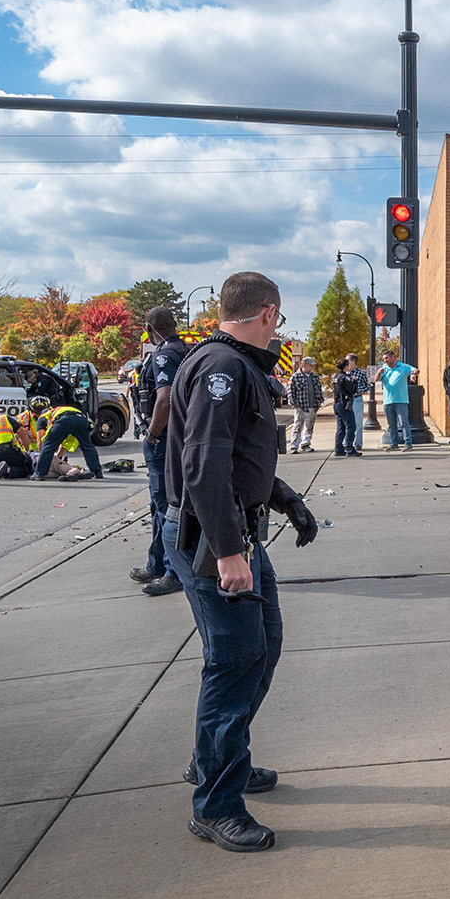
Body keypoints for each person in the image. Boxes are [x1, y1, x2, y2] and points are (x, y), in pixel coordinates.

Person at [164, 271, 320, 854]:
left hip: (235, 533)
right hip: (215, 541)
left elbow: (239, 459)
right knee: (234, 664)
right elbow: (204, 466)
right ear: (269, 313)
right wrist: (230, 553)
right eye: (278, 319)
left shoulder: (228, 365)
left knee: (263, 646)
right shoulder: (223, 370)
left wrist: (288, 500)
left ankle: (219, 758)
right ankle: (216, 803)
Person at [133, 308, 188, 595]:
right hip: (175, 436)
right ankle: (156, 563)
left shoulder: (165, 354)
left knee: (167, 505)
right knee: (158, 505)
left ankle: (173, 571)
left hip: (164, 438)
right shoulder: (184, 349)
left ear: (149, 328)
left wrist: (152, 434)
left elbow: (164, 399)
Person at [34, 397, 103, 480]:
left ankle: (39, 474)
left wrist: (41, 454)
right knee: (87, 446)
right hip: (82, 419)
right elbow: (65, 443)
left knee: (48, 445)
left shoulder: (43, 417)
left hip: (64, 420)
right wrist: (58, 455)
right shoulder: (61, 409)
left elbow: (41, 440)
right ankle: (97, 472)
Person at [376, 349, 418, 450]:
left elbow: (416, 370)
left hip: (401, 400)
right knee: (392, 424)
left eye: (386, 358)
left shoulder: (403, 367)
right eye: (383, 359)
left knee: (404, 423)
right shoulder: (384, 369)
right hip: (388, 401)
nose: (385, 361)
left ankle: (408, 443)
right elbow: (375, 379)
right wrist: (378, 372)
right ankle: (394, 444)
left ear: (393, 357)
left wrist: (413, 374)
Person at [0, 409, 34, 479]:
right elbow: (22, 433)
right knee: (26, 468)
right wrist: (27, 451)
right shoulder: (4, 418)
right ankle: (7, 470)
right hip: (7, 449)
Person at [333, 354, 368, 456]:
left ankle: (339, 449)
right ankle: (349, 449)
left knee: (341, 427)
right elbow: (352, 389)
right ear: (346, 366)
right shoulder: (345, 378)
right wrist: (355, 381)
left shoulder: (337, 376)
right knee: (351, 426)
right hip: (345, 404)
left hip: (338, 403)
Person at [288, 356, 324, 452]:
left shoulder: (315, 377)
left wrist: (320, 401)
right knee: (298, 426)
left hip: (313, 406)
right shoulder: (295, 377)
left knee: (309, 426)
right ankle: (294, 445)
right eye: (310, 365)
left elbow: (319, 390)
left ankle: (306, 444)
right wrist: (294, 403)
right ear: (304, 365)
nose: (312, 367)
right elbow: (290, 391)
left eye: (313, 365)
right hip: (301, 406)